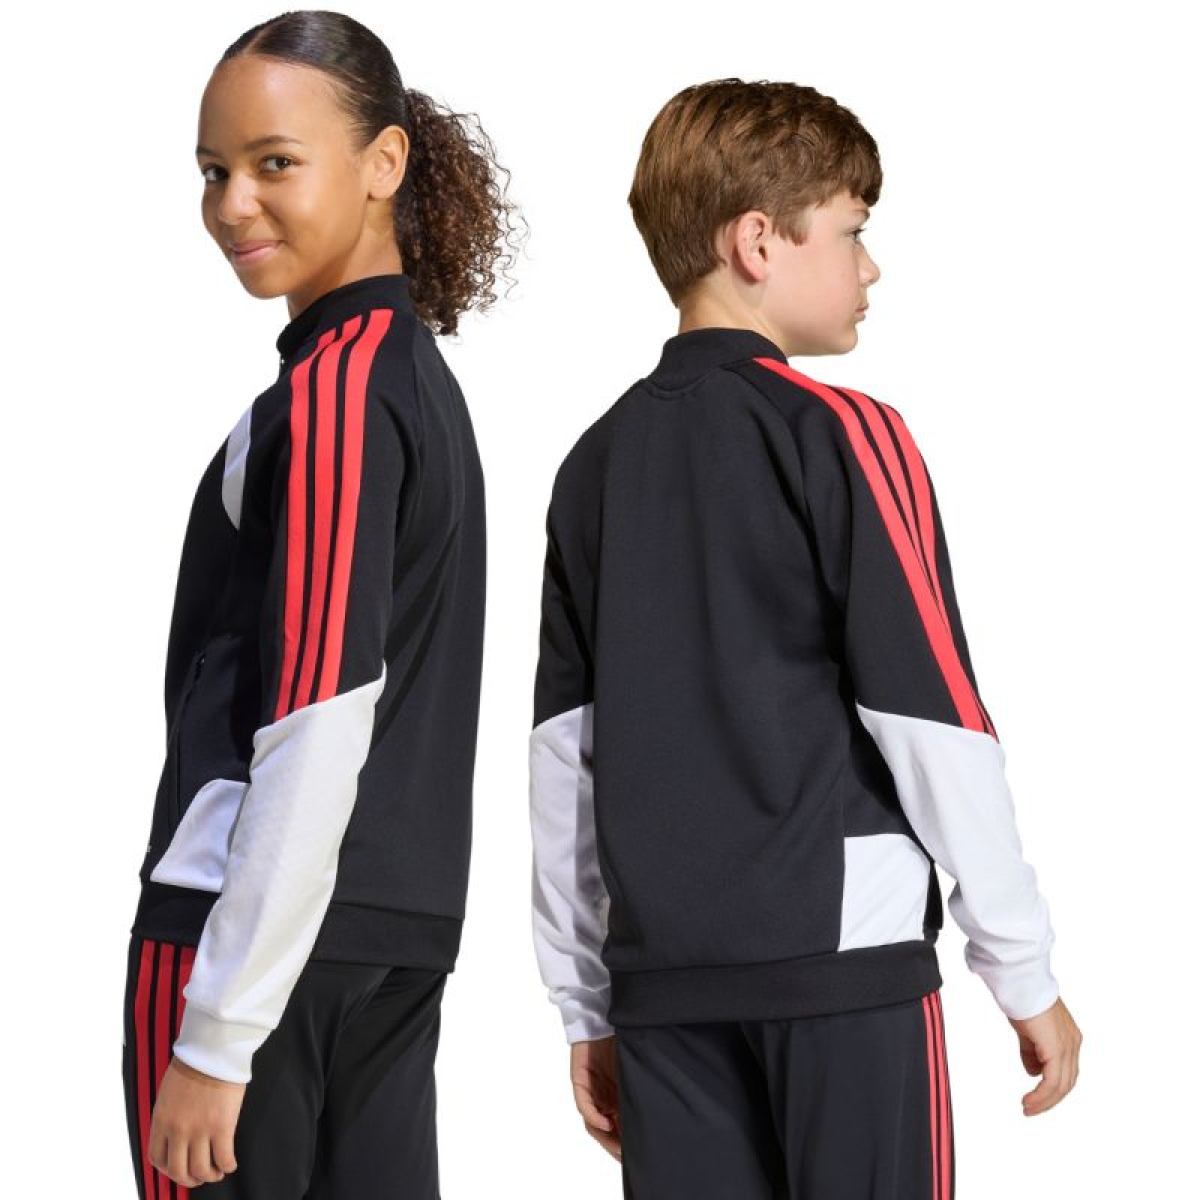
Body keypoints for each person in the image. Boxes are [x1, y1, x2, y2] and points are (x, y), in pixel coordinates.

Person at [528, 78, 1081, 1199]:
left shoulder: (592, 465)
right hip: (843, 970)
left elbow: (561, 763)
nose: (871, 268)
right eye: (853, 231)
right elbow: (931, 716)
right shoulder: (845, 434)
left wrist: (587, 1007)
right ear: (758, 242)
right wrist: (1021, 968)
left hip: (665, 989)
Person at [121, 10, 518, 1197]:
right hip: (392, 936)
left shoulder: (340, 395)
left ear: (384, 162)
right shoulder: (413, 383)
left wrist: (217, 1033)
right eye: (213, 171)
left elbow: (320, 714)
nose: (232, 204)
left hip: (252, 949)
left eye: (275, 163)